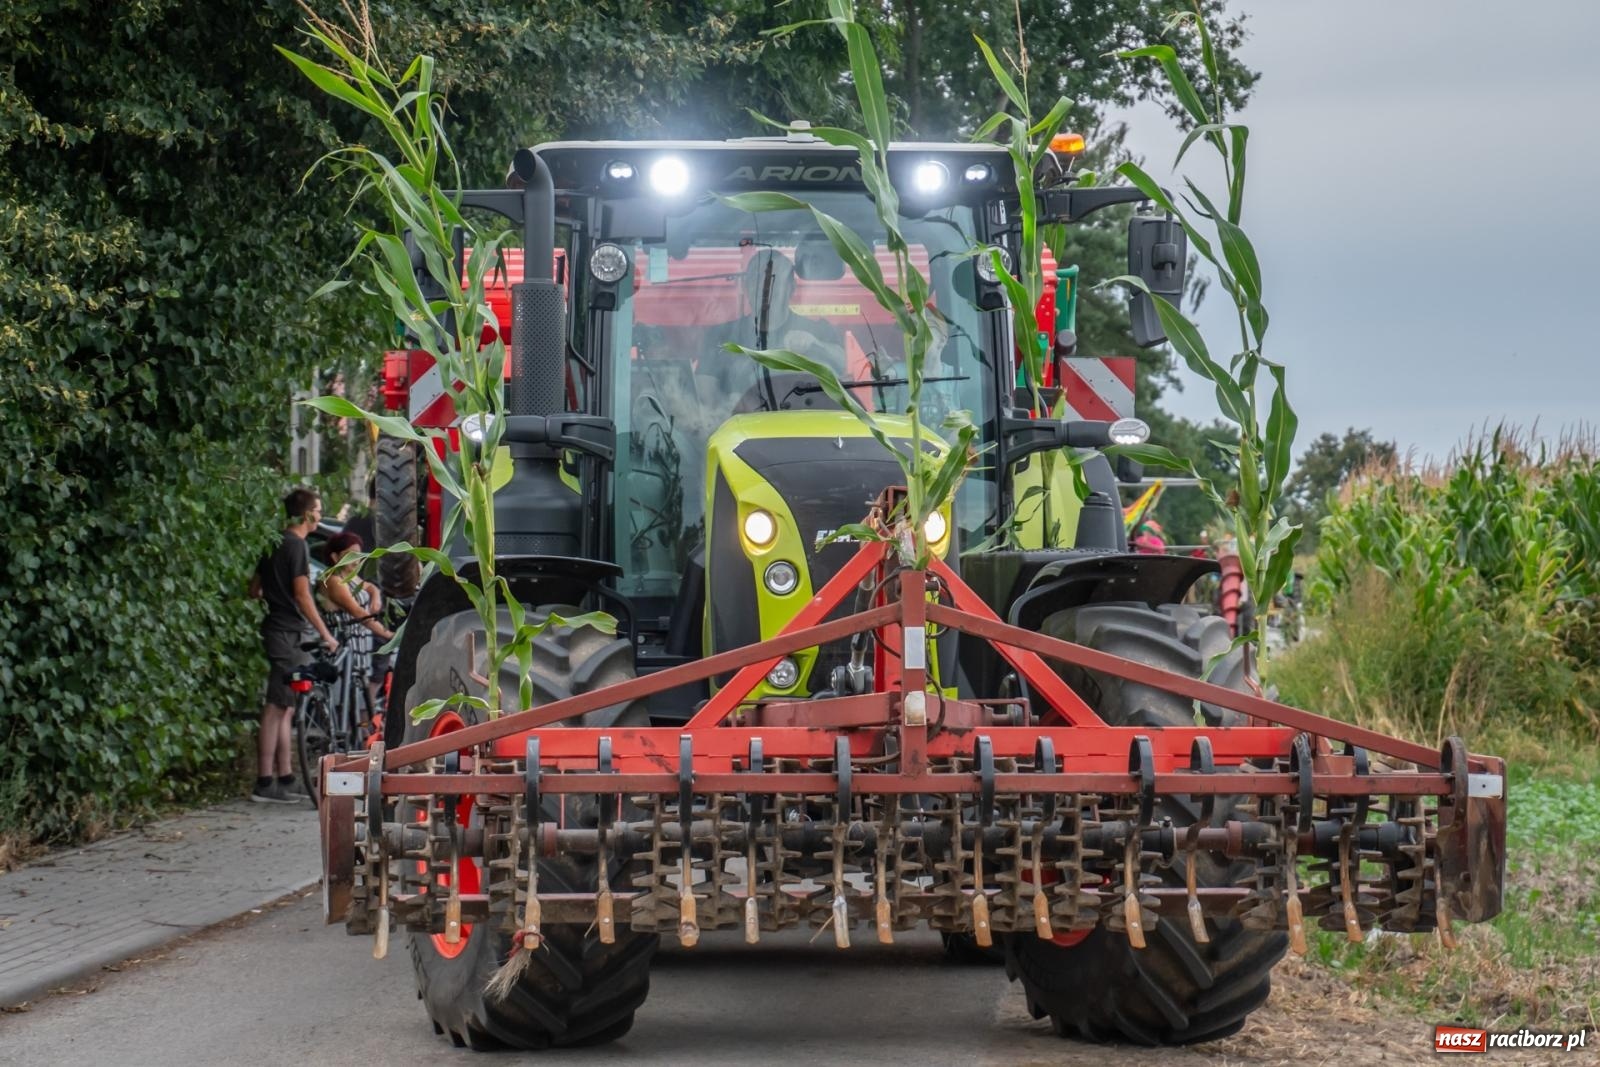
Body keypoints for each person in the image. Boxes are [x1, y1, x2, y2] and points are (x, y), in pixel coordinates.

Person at [248, 487, 338, 804]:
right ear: (307, 514)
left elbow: (254, 590)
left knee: (286, 705)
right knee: (276, 706)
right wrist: (325, 633)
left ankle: (285, 778)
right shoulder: (297, 545)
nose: (320, 515)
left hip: (278, 628)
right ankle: (264, 782)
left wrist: (275, 595)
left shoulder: (274, 542)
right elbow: (302, 594)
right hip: (288, 632)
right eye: (318, 509)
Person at [317, 530, 394, 728]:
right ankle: (346, 736)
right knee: (345, 701)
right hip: (344, 646)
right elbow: (359, 614)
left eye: (359, 555)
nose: (357, 560)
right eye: (350, 555)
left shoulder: (351, 577)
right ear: (335, 557)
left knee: (361, 699)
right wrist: (390, 636)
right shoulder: (333, 580)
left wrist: (375, 596)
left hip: (360, 647)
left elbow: (369, 586)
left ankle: (362, 736)